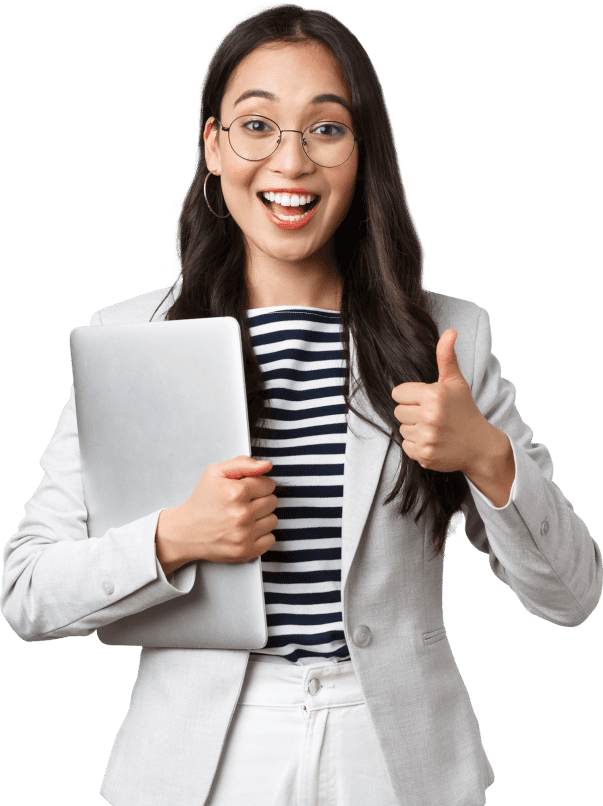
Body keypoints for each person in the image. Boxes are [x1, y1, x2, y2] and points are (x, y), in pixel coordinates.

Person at [2, 4, 601, 806]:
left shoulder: (449, 337)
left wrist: (486, 457)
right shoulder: (131, 337)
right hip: (200, 762)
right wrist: (175, 537)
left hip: (395, 754)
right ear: (213, 146)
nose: (290, 161)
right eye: (256, 125)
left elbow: (571, 597)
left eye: (325, 129)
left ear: (363, 153)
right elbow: (28, 592)